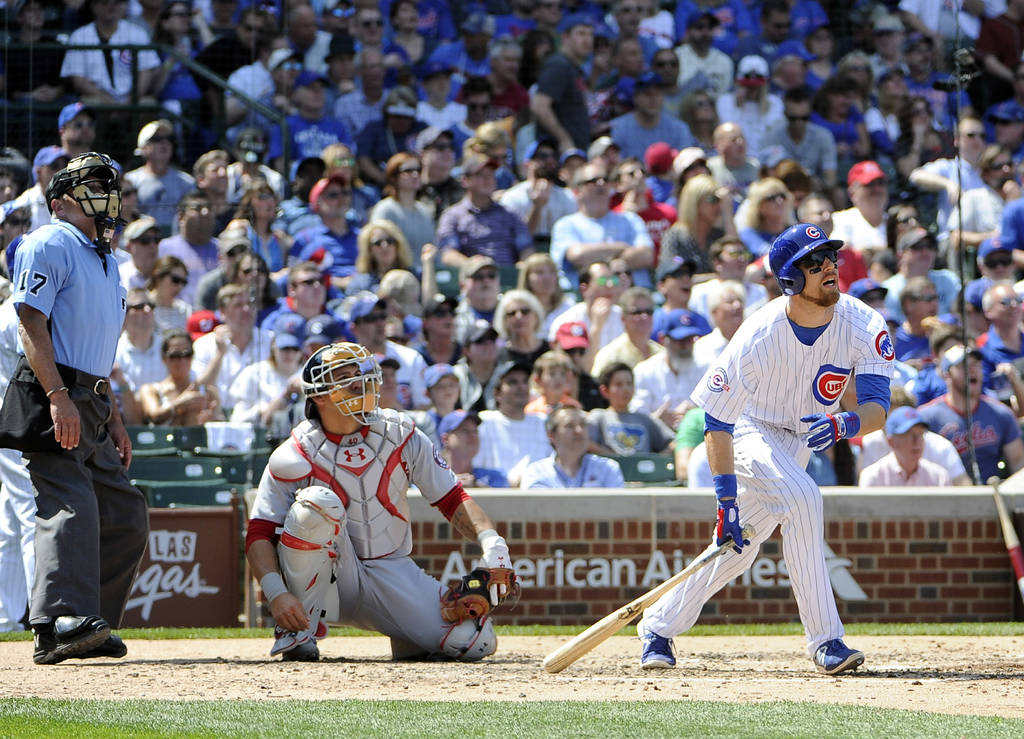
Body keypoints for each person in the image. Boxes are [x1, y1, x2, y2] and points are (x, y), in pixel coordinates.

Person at [638, 222, 894, 676]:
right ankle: (826, 639)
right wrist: (726, 502)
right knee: (804, 499)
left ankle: (657, 626)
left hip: (802, 438)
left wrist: (845, 423)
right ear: (790, 278)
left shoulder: (865, 323)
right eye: (813, 263)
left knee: (739, 550)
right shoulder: (758, 333)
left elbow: (877, 409)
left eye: (830, 257)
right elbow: (716, 421)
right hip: (749, 428)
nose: (828, 267)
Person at [245, 342, 516, 662]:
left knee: (473, 641)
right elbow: (259, 532)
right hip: (332, 579)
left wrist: (493, 544)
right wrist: (276, 594)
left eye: (359, 373)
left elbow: (452, 497)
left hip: (390, 567)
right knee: (316, 503)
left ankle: (409, 637)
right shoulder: (295, 452)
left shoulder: (401, 433)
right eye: (344, 377)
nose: (359, 382)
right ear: (319, 396)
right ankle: (299, 631)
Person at [6, 152, 148, 664]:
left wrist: (115, 417)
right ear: (58, 202)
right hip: (54, 390)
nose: (104, 192)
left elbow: (99, 348)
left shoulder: (107, 260)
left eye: (107, 184)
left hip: (93, 398)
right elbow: (30, 321)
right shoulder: (49, 240)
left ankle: (89, 621)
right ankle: (59, 621)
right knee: (71, 503)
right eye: (90, 184)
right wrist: (57, 397)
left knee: (125, 513)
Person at [919, 345, 1024, 483]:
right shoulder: (926, 417)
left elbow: (1018, 463)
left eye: (976, 365)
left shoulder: (1000, 413)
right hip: (946, 493)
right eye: (964, 366)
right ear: (947, 375)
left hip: (993, 491)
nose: (972, 370)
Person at [550, 162, 654, 290]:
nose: (601, 184)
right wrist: (621, 248)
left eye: (605, 179)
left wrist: (599, 256)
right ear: (578, 191)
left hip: (632, 295)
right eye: (593, 181)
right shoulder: (565, 224)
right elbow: (577, 256)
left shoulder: (630, 219)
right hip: (583, 295)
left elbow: (646, 255)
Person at [436, 154, 532, 268]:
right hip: (471, 276)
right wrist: (473, 266)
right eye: (480, 175)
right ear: (465, 180)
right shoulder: (452, 216)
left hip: (507, 275)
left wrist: (524, 265)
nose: (487, 179)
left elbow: (526, 248)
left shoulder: (510, 214)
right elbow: (448, 253)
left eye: (491, 174)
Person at [473, 362, 553, 485]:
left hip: (538, 493)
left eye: (525, 381)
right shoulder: (483, 422)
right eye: (512, 382)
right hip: (494, 493)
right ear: (497, 393)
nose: (521, 387)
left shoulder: (543, 422)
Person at [530, 13, 594, 152]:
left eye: (590, 34)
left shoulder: (573, 67)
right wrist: (564, 139)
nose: (587, 40)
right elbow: (539, 106)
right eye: (581, 33)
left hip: (576, 150)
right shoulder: (559, 66)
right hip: (558, 153)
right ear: (565, 37)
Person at [520, 405, 624, 489]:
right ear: (551, 435)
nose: (579, 431)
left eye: (583, 425)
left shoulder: (607, 469)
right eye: (570, 426)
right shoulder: (536, 472)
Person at [138, 329, 221, 425]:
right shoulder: (151, 390)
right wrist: (181, 404)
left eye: (187, 354)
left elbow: (222, 424)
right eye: (175, 355)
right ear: (164, 358)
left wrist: (211, 421)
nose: (182, 360)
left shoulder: (208, 392)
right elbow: (154, 416)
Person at [589, 362, 673, 456]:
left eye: (629, 384)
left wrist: (656, 461)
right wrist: (612, 457)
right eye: (619, 384)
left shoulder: (645, 419)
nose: (626, 389)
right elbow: (586, 442)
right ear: (605, 391)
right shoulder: (599, 417)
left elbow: (675, 443)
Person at [125, 120, 196, 231]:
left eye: (168, 139)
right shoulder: (130, 181)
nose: (164, 143)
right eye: (157, 139)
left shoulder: (187, 182)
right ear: (143, 147)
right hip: (142, 239)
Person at [369, 154, 436, 267]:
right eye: (408, 171)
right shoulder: (384, 210)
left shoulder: (425, 211)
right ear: (393, 177)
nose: (415, 175)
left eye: (418, 170)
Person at [859, 406, 953, 487]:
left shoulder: (939, 477)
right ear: (891, 442)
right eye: (908, 434)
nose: (917, 441)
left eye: (920, 434)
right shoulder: (873, 477)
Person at [438, 410, 509, 489]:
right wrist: (448, 485)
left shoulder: (495, 477)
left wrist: (476, 486)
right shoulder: (434, 478)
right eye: (465, 431)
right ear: (445, 439)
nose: (473, 436)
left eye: (475, 431)